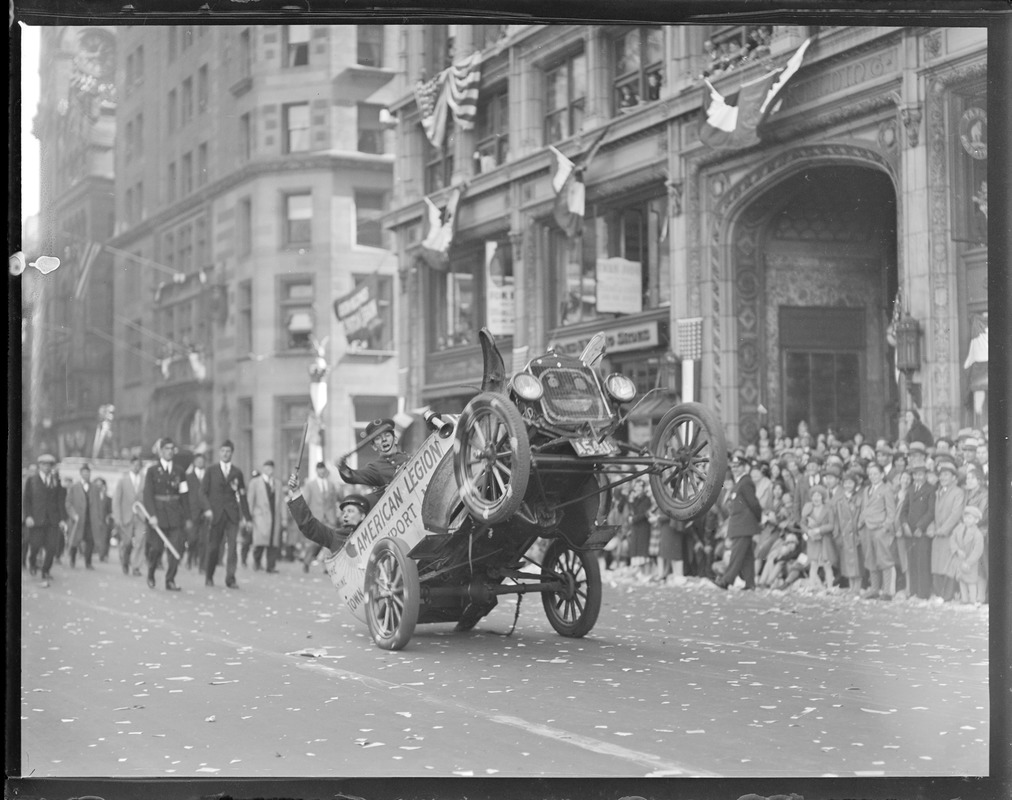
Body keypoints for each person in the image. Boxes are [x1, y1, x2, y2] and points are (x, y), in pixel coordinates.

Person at [286, 472, 368, 568]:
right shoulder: (336, 536)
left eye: (350, 511)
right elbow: (309, 525)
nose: (345, 515)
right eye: (344, 512)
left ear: (362, 516)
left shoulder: (375, 534)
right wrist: (296, 492)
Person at [142, 437, 192, 591]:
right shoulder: (152, 471)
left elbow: (184, 495)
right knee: (156, 549)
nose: (170, 452)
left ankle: (170, 580)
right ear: (161, 451)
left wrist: (188, 517)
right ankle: (151, 572)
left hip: (175, 515)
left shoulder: (180, 471)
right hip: (158, 516)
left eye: (172, 449)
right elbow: (148, 495)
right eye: (166, 449)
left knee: (175, 548)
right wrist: (151, 515)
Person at [201, 439, 251, 589]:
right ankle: (209, 576)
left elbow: (242, 495)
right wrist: (207, 509)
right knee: (214, 547)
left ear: (232, 453)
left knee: (233, 546)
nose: (225, 454)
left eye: (228, 451)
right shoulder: (211, 471)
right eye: (223, 451)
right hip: (216, 515)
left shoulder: (237, 473)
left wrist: (247, 518)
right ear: (219, 453)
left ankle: (231, 578)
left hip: (232, 515)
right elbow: (202, 492)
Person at [713, 451, 761, 591]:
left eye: (738, 465)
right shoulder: (740, 481)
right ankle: (750, 583)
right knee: (746, 556)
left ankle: (726, 581)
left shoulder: (745, 481)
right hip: (741, 525)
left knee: (736, 555)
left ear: (745, 467)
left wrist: (757, 519)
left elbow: (754, 504)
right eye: (733, 466)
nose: (734, 468)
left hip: (744, 525)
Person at [23, 453, 69, 587]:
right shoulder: (32, 480)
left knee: (51, 547)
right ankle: (32, 562)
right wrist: (28, 516)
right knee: (35, 545)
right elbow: (27, 501)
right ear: (39, 466)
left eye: (49, 465)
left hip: (53, 520)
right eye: (43, 464)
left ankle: (45, 570)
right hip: (36, 520)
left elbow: (60, 501)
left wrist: (62, 519)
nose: (46, 467)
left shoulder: (56, 481)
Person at [857, 461, 897, 600]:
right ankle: (874, 589)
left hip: (880, 529)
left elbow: (891, 512)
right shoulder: (866, 490)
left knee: (884, 559)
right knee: (870, 559)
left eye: (876, 473)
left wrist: (885, 527)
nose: (873, 476)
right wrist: (860, 524)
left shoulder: (886, 489)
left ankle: (887, 591)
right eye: (871, 474)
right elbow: (863, 508)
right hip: (867, 528)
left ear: (882, 474)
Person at [337, 418, 409, 495]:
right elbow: (353, 477)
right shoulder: (374, 468)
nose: (384, 439)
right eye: (378, 438)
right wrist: (342, 467)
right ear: (374, 446)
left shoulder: (409, 458)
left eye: (387, 435)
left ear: (395, 440)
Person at [928, 457, 965, 603]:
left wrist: (942, 530)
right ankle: (939, 593)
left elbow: (955, 514)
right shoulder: (938, 492)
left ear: (954, 477)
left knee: (949, 565)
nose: (943, 477)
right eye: (941, 474)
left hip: (950, 534)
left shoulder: (958, 493)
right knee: (937, 564)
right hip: (938, 534)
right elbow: (933, 512)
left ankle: (948, 595)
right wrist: (933, 527)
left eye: (946, 475)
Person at [900, 461, 935, 601]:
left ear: (926, 475)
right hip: (909, 532)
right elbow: (904, 510)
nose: (918, 477)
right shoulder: (910, 489)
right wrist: (904, 525)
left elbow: (931, 511)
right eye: (915, 475)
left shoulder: (931, 489)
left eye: (920, 474)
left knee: (923, 563)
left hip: (922, 532)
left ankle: (923, 594)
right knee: (912, 561)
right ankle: (914, 591)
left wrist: (920, 527)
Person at [300, 461, 340, 572]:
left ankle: (326, 566)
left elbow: (334, 501)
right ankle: (306, 561)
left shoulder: (331, 485)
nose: (321, 472)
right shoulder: (310, 485)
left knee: (329, 542)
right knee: (314, 543)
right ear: (316, 471)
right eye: (319, 470)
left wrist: (334, 517)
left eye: (323, 469)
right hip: (316, 517)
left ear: (325, 471)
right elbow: (306, 502)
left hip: (329, 518)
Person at [112, 454, 147, 577]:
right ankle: (125, 562)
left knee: (140, 541)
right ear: (130, 465)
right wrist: (117, 517)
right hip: (126, 516)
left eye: (139, 465)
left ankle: (136, 566)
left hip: (141, 517)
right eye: (134, 465)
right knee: (126, 543)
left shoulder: (145, 480)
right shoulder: (123, 480)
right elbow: (116, 500)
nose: (137, 467)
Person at [65, 464, 103, 570]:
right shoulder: (74, 487)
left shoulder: (95, 488)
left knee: (90, 541)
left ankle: (88, 562)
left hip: (91, 520)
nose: (86, 475)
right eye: (84, 472)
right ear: (80, 473)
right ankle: (72, 560)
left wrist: (99, 518)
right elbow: (68, 503)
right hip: (78, 519)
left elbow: (98, 504)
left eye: (88, 473)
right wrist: (73, 515)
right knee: (75, 541)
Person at [249, 459, 284, 572]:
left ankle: (271, 566)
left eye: (271, 468)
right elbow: (250, 500)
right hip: (260, 517)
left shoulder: (277, 483)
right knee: (259, 542)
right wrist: (249, 517)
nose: (269, 470)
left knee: (273, 543)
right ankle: (257, 562)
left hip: (274, 516)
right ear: (263, 468)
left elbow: (282, 501)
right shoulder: (255, 482)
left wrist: (283, 517)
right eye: (267, 468)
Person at [950, 505, 985, 606]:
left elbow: (977, 551)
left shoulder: (977, 534)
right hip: (960, 560)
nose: (967, 520)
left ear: (976, 520)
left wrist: (968, 562)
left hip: (971, 563)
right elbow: (952, 538)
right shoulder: (959, 528)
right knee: (961, 579)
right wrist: (956, 550)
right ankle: (964, 599)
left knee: (971, 581)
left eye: (970, 518)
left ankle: (972, 600)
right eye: (965, 517)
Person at [185, 449, 212, 571]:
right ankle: (190, 558)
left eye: (202, 461)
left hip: (205, 512)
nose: (200, 463)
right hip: (192, 512)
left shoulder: (209, 476)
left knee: (204, 540)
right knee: (192, 539)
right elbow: (185, 495)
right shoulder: (188, 477)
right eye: (198, 461)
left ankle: (203, 565)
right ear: (194, 462)